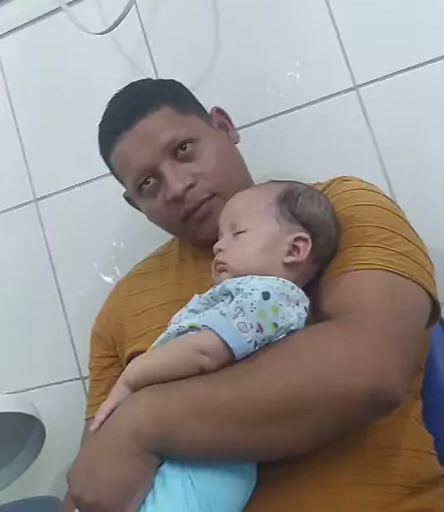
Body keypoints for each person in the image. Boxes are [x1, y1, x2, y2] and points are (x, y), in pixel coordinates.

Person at [67, 78, 443, 512]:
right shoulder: (121, 307)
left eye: (184, 150)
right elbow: (95, 477)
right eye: (148, 183)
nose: (177, 186)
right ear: (136, 204)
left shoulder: (332, 213)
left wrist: (143, 421)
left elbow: (369, 372)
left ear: (224, 127)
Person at [88, 180, 339, 512]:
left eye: (237, 233)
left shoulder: (270, 295)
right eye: (221, 236)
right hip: (190, 445)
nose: (219, 246)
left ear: (294, 250)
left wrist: (135, 375)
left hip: (210, 459)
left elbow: (204, 353)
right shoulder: (249, 296)